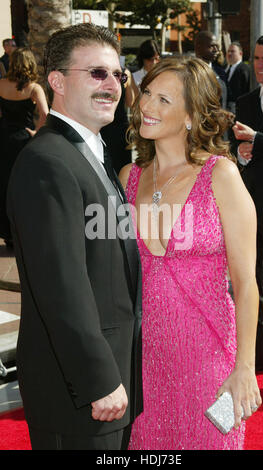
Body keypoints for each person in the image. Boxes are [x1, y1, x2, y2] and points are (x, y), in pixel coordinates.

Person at [7, 23, 142, 450]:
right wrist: (99, 378)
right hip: (80, 392)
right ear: (57, 81)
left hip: (108, 380)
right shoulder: (48, 161)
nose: (112, 85)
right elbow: (60, 286)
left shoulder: (91, 152)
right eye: (97, 73)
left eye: (117, 75)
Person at [119, 57, 261, 450]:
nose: (147, 106)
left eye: (164, 99)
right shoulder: (128, 179)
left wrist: (244, 367)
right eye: (147, 92)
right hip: (143, 364)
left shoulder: (220, 175)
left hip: (209, 360)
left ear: (190, 115)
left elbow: (247, 284)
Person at [232, 33, 263, 372]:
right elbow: (230, 142)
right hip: (248, 208)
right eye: (256, 58)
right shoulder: (246, 100)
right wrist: (239, 151)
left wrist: (257, 140)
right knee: (250, 282)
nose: (259, 65)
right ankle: (257, 359)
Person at [0, 47, 48, 246]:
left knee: (4, 184)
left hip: (3, 138)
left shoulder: (1, 84)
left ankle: (7, 232)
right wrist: (36, 132)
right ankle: (24, 231)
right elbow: (46, 114)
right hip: (24, 140)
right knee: (25, 186)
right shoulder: (34, 88)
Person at [101, 67, 134, 174]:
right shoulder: (125, 73)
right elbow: (131, 101)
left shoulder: (99, 73)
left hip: (103, 126)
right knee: (123, 170)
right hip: (121, 126)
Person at [194, 31, 227, 108]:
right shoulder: (188, 73)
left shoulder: (220, 72)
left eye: (217, 46)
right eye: (212, 46)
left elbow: (228, 99)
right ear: (198, 47)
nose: (216, 50)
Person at [226, 42, 250, 113]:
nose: (229, 54)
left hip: (240, 110)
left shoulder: (245, 69)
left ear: (240, 54)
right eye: (228, 51)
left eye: (232, 51)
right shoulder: (227, 69)